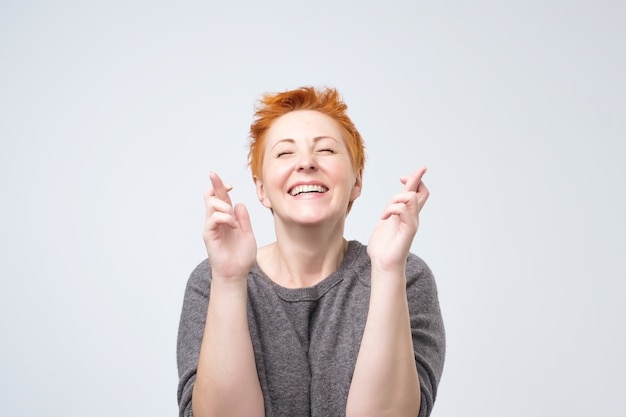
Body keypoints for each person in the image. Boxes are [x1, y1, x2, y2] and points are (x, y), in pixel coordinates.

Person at [177, 86, 445, 417]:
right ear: (261, 188)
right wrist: (230, 280)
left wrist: (388, 270)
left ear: (357, 181)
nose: (306, 163)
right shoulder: (211, 280)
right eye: (285, 153)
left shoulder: (407, 276)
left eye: (327, 150)